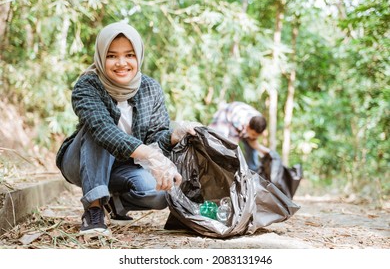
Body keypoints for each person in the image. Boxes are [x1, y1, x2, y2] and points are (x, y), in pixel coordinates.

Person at [56, 22, 197, 236]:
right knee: (101, 133)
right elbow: (102, 129)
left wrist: (173, 136)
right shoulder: (88, 85)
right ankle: (93, 210)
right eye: (112, 56)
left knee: (160, 194)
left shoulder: (150, 88)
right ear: (101, 56)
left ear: (138, 56)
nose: (121, 63)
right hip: (81, 162)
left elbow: (155, 137)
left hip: (124, 167)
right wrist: (150, 155)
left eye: (129, 55)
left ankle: (116, 203)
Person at [208, 101, 270, 171]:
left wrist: (268, 153)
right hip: (227, 115)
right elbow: (233, 145)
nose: (253, 137)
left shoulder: (260, 122)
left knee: (252, 149)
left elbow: (254, 144)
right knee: (221, 144)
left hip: (243, 118)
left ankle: (253, 170)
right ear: (248, 127)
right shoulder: (239, 122)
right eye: (253, 134)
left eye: (256, 136)